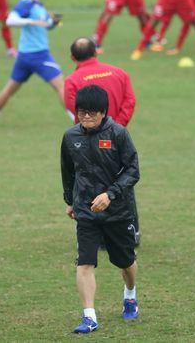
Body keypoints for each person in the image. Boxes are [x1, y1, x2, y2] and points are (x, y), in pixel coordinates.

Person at [61, 85, 141, 334]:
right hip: (86, 212)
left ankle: (130, 295)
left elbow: (133, 170)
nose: (86, 118)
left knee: (125, 261)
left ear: (103, 112)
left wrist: (110, 194)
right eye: (82, 112)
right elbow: (68, 172)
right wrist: (70, 201)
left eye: (92, 113)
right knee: (84, 263)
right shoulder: (70, 137)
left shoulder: (118, 134)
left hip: (118, 211)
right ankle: (89, 317)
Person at [64, 37, 142, 246]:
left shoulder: (72, 80)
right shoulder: (120, 73)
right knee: (123, 179)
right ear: (96, 52)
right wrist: (118, 127)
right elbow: (130, 100)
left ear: (72, 57)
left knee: (90, 180)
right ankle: (132, 230)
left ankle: (96, 234)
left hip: (89, 141)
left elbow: (75, 109)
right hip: (117, 135)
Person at [0, 0, 71, 127]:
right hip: (39, 56)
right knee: (62, 86)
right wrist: (31, 22)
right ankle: (79, 122)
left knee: (10, 89)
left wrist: (53, 22)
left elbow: (44, 25)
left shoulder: (38, 5)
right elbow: (10, 20)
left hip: (24, 57)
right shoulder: (27, 2)